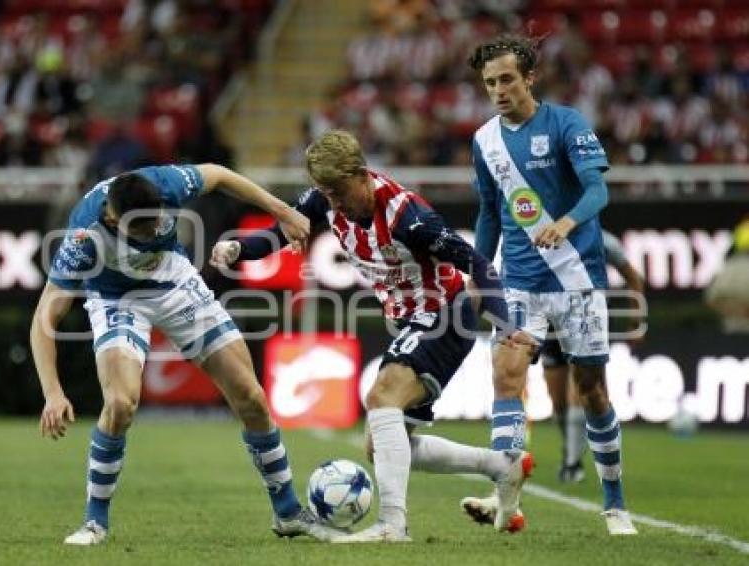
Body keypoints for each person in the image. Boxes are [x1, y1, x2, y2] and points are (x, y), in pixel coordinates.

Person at [210, 130, 536, 543]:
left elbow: (481, 266)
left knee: (381, 397)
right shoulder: (324, 202)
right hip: (412, 321)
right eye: (326, 194)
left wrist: (506, 327)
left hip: (444, 316)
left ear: (361, 174)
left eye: (339, 192)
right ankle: (502, 466)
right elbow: (277, 234)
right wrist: (238, 249)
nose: (334, 203)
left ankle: (392, 526)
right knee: (381, 446)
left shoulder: (408, 216)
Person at [29, 163, 340, 545]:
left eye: (156, 222)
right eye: (140, 230)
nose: (153, 231)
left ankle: (288, 513)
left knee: (252, 398)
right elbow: (45, 316)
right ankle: (95, 522)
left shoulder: (165, 184)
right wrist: (52, 393)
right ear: (112, 218)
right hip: (118, 299)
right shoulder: (83, 236)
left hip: (175, 283)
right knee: (121, 404)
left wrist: (283, 211)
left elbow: (220, 175)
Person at [461, 34, 637, 535]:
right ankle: (504, 501)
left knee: (592, 392)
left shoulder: (566, 123)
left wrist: (564, 222)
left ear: (529, 78)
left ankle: (615, 502)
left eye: (507, 79)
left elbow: (598, 189)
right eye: (490, 82)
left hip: (578, 279)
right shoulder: (484, 141)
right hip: (519, 284)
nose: (498, 90)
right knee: (507, 377)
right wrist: (480, 271)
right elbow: (490, 213)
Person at [545, 231, 645, 483]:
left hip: (589, 317)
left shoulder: (602, 239)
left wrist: (638, 318)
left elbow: (633, 278)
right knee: (558, 401)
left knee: (580, 389)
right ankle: (571, 448)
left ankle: (572, 463)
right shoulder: (543, 232)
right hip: (550, 321)